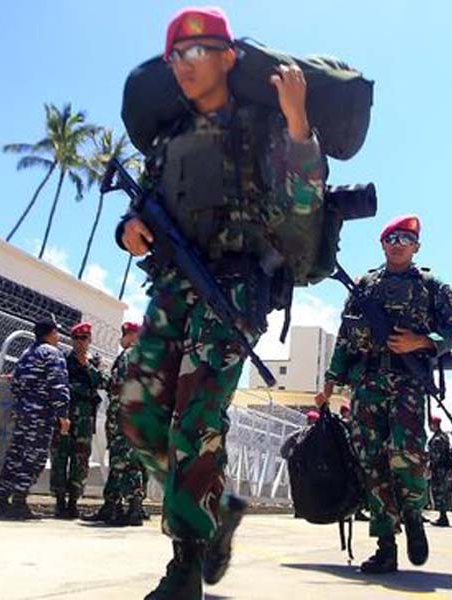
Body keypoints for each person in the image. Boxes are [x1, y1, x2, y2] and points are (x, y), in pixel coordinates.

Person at [117, 7, 328, 597]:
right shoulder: (169, 138)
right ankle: (213, 509)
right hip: (171, 287)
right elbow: (144, 206)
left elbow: (301, 211)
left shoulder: (260, 128)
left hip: (233, 288)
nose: (184, 66)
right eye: (175, 57)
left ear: (228, 57)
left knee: (198, 419)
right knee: (137, 415)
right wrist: (129, 229)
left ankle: (186, 560)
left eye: (198, 52)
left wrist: (296, 123)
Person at [315, 213, 452, 573]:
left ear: (416, 247)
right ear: (382, 244)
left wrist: (422, 341)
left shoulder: (432, 286)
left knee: (407, 453)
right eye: (391, 238)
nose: (397, 244)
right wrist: (330, 382)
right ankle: (385, 545)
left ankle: (413, 515)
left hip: (407, 383)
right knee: (371, 461)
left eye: (405, 239)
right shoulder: (364, 285)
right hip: (367, 381)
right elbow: (345, 336)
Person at [0, 317, 70, 520]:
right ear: (51, 333)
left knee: (16, 454)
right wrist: (63, 415)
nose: (58, 336)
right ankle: (19, 501)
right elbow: (58, 386)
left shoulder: (27, 353)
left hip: (23, 412)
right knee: (34, 458)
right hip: (41, 415)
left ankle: (0, 500)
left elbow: (16, 383)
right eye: (56, 332)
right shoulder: (52, 353)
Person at [85, 322, 145, 526]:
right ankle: (115, 507)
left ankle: (130, 509)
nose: (123, 338)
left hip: (126, 418)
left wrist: (98, 371)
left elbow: (118, 385)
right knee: (124, 462)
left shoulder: (131, 354)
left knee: (125, 463)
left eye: (126, 334)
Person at [50, 322, 106, 519]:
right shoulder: (63, 359)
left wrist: (87, 366)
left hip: (84, 419)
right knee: (59, 456)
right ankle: (59, 500)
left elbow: (103, 382)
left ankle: (73, 501)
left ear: (90, 340)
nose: (80, 343)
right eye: (77, 339)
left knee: (80, 459)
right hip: (65, 415)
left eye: (84, 338)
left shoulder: (95, 362)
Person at [427, 416, 452, 527]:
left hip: (440, 469)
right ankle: (443, 516)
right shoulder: (444, 436)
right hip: (444, 468)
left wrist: (430, 467)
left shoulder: (438, 439)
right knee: (442, 492)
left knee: (439, 492)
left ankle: (443, 517)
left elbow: (436, 456)